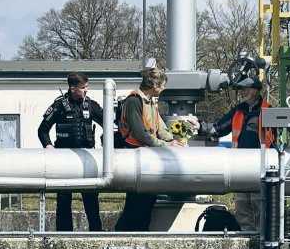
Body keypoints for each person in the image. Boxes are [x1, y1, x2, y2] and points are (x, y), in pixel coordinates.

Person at [198, 76, 273, 231]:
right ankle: (245, 238)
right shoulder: (238, 111)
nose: (241, 93)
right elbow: (218, 128)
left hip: (261, 167)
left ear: (254, 92)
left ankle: (261, 241)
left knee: (261, 207)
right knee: (243, 207)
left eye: (244, 89)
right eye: (240, 90)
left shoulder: (268, 110)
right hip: (240, 166)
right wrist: (199, 126)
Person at [114, 67, 185, 231]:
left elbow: (159, 127)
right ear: (153, 84)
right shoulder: (134, 101)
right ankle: (127, 232)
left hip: (148, 155)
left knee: (148, 200)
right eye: (162, 85)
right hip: (136, 155)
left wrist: (173, 141)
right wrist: (167, 145)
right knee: (137, 201)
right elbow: (141, 134)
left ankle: (139, 232)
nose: (164, 88)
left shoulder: (150, 102)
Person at [38, 72, 103, 232]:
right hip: (64, 159)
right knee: (64, 198)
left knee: (91, 198)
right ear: (73, 88)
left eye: (87, 87)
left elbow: (109, 123)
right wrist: (48, 146)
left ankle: (96, 232)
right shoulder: (59, 106)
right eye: (83, 87)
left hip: (87, 157)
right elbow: (42, 130)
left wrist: (106, 145)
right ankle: (64, 234)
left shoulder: (91, 105)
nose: (86, 90)